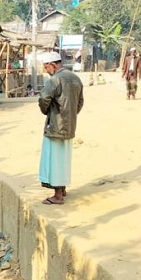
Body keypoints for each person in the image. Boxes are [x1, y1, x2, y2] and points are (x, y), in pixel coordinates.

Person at [37, 51, 84, 205]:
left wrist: (47, 111)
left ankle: (58, 196)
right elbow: (80, 102)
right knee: (64, 158)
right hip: (70, 125)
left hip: (55, 125)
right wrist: (71, 115)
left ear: (53, 65)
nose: (45, 70)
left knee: (54, 159)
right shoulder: (75, 78)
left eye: (46, 67)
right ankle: (62, 189)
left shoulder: (55, 79)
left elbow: (44, 98)